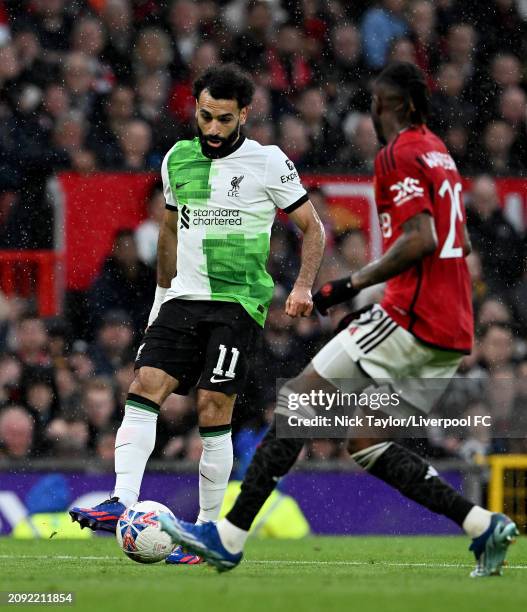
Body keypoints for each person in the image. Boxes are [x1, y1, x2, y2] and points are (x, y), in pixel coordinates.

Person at [158, 62, 519, 577]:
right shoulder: (439, 152)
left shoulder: (400, 153)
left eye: (383, 103)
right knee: (364, 442)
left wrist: (347, 286)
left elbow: (420, 239)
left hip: (412, 314)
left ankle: (229, 536)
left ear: (406, 108)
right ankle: (483, 525)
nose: (373, 112)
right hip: (453, 327)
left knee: (300, 401)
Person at [70, 64, 325, 565]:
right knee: (144, 384)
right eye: (205, 116)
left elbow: (312, 229)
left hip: (237, 304)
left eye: (224, 119)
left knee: (213, 407)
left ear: (244, 115)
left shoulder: (270, 163)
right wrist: (160, 298)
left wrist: (301, 286)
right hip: (182, 298)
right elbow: (168, 232)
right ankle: (121, 500)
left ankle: (207, 531)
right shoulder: (177, 159)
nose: (211, 128)